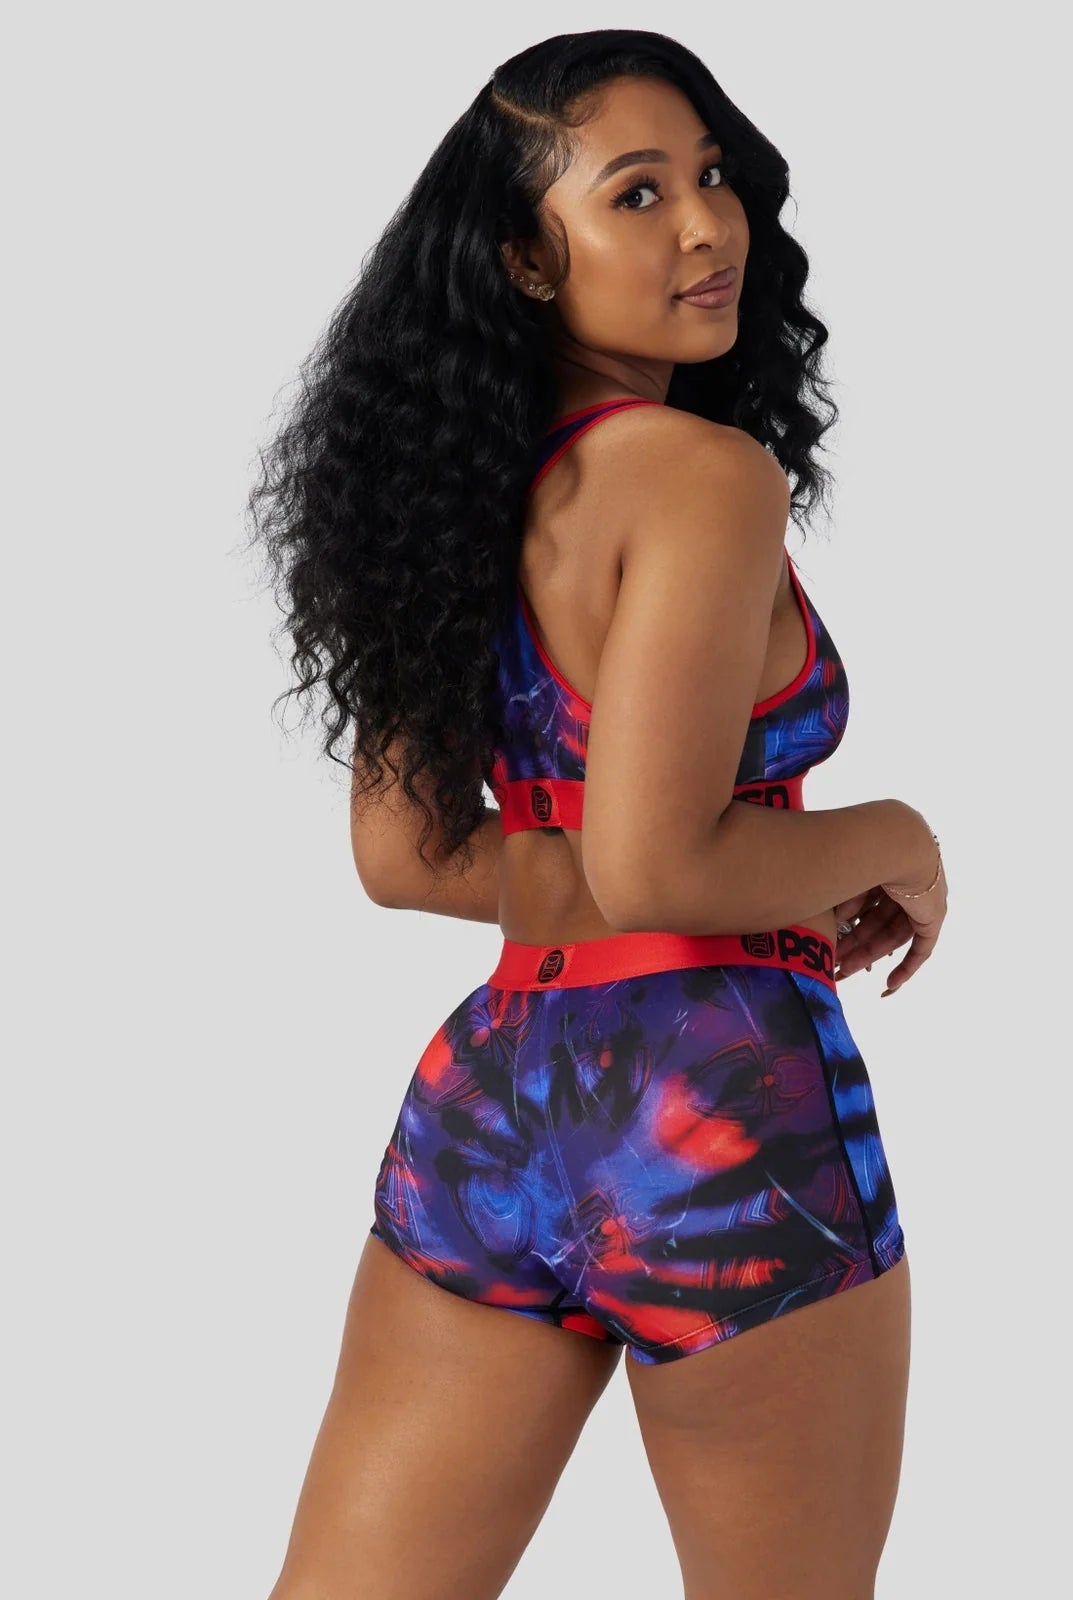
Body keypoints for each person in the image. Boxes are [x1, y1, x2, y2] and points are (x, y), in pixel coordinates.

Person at [248, 28, 946, 1600]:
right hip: (722, 1124)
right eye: (637, 194)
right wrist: (897, 839)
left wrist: (687, 879)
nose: (705, 225)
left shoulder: (446, 491)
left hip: (493, 1113)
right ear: (524, 257)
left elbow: (407, 856)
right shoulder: (704, 478)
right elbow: (658, 862)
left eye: (712, 176)